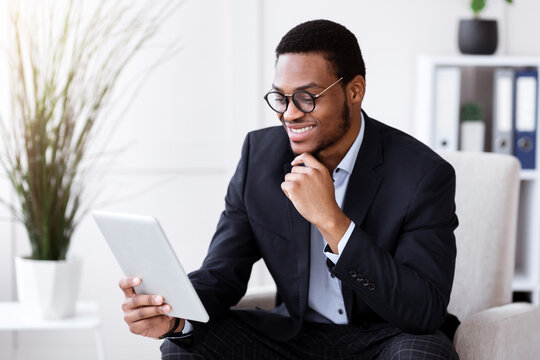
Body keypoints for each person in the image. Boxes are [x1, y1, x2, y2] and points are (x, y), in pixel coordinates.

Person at [119, 19, 460, 359]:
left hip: (385, 338)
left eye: (306, 98)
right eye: (281, 98)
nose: (290, 114)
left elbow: (423, 309)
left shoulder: (423, 174)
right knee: (184, 346)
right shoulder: (260, 157)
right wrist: (173, 315)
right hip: (294, 338)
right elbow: (222, 274)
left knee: (423, 354)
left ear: (354, 91)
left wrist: (331, 219)